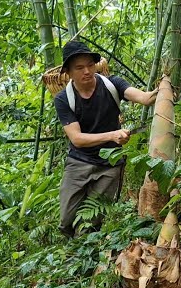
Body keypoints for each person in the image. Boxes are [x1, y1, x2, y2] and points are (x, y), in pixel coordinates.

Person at [53, 39, 157, 237]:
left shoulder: (112, 84)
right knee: (67, 220)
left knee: (90, 223)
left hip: (110, 164)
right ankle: (72, 251)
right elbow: (77, 139)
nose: (87, 71)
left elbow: (144, 98)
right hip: (78, 162)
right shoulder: (63, 99)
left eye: (90, 65)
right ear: (68, 72)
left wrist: (162, 89)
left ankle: (84, 260)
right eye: (79, 67)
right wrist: (112, 135)